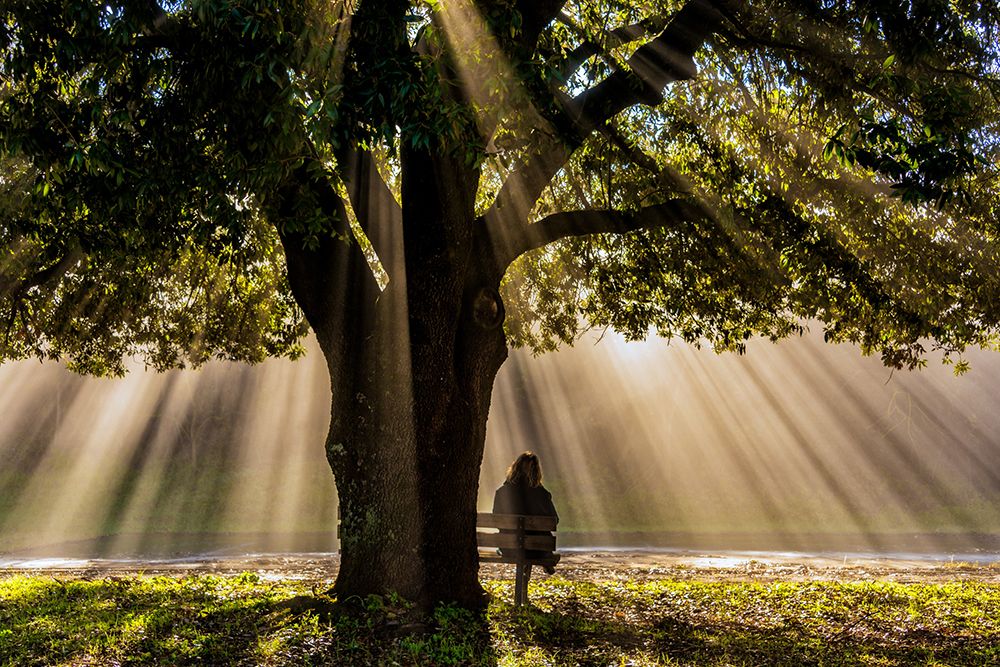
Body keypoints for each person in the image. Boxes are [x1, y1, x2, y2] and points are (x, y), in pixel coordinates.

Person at [492, 451, 559, 575]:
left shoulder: (502, 492)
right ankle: (545, 561)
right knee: (533, 541)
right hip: (538, 549)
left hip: (509, 547)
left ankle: (528, 574)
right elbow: (555, 520)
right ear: (537, 472)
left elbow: (496, 521)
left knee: (522, 540)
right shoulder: (542, 494)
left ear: (515, 469)